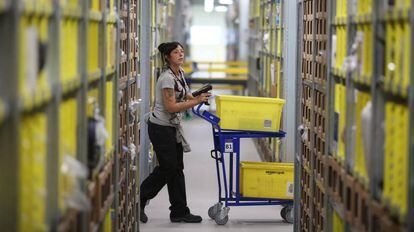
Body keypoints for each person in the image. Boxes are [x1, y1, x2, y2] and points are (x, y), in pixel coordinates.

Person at [140, 42, 211, 223]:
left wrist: (199, 95)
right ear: (167, 56)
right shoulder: (166, 78)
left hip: (172, 128)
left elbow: (186, 95)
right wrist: (196, 102)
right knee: (168, 167)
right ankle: (140, 196)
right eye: (175, 52)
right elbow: (171, 107)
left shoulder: (179, 74)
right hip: (160, 128)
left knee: (177, 168)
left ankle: (179, 211)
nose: (180, 54)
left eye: (181, 51)